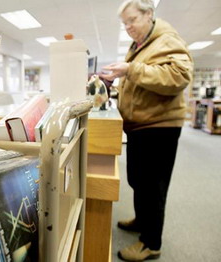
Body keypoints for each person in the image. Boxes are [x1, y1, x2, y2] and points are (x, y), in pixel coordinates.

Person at [99, 0, 193, 261]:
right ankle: (143, 220)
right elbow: (143, 84)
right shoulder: (140, 45)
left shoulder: (166, 39)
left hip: (158, 127)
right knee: (138, 181)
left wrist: (129, 69)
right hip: (141, 126)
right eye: (124, 23)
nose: (128, 27)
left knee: (153, 187)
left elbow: (179, 76)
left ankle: (151, 243)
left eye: (132, 20)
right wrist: (115, 85)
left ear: (149, 14)